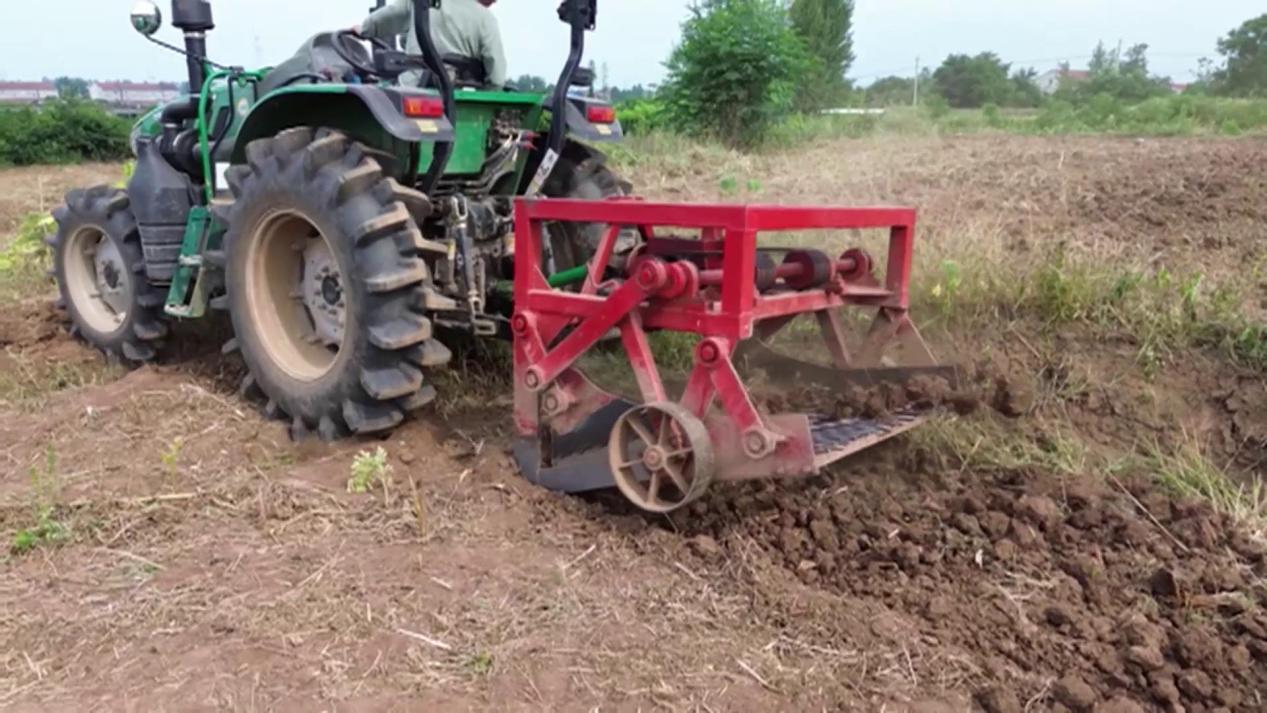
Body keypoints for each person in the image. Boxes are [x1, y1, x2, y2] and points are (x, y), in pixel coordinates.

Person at [358, 0, 507, 89]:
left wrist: (362, 29)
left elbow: (386, 18)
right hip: (462, 93)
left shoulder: (420, 3)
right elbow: (497, 77)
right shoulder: (486, 19)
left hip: (416, 88)